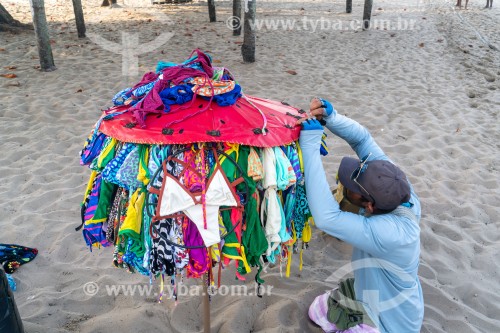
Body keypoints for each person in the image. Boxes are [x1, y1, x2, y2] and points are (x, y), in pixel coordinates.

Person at [298, 98, 424, 333]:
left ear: (369, 207)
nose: (344, 186)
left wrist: (309, 145)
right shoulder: (395, 184)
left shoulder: (390, 233)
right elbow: (362, 139)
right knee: (318, 311)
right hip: (372, 293)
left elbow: (327, 217)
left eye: (352, 189)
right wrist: (332, 117)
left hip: (393, 324)